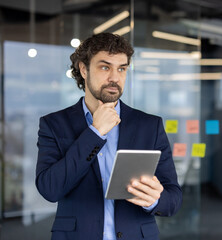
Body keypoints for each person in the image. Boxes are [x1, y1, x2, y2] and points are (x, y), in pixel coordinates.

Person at [36, 33, 182, 240]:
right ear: (84, 69)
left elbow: (173, 200)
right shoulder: (54, 125)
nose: (115, 77)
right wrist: (94, 133)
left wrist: (154, 199)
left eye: (121, 68)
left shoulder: (149, 125)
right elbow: (49, 189)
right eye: (105, 67)